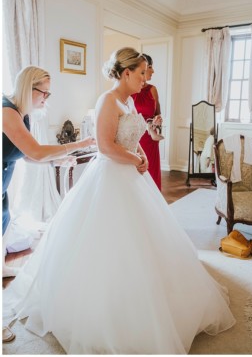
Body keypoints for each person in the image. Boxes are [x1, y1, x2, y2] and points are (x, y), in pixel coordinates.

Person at [5, 48, 235, 353]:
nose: (145, 78)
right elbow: (104, 146)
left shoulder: (127, 101)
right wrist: (132, 158)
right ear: (125, 73)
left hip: (129, 175)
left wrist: (140, 153)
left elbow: (130, 138)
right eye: (141, 73)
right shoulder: (106, 100)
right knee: (106, 241)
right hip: (110, 176)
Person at [2, 67, 94, 343]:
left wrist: (55, 161)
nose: (46, 99)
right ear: (30, 88)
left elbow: (25, 155)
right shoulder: (6, 111)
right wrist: (80, 144)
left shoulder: (22, 114)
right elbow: (37, 151)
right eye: (45, 92)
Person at [131, 53, 163, 190]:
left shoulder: (152, 90)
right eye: (150, 67)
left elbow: (157, 113)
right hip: (136, 138)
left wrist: (157, 120)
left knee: (152, 174)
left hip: (150, 139)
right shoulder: (129, 91)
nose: (153, 71)